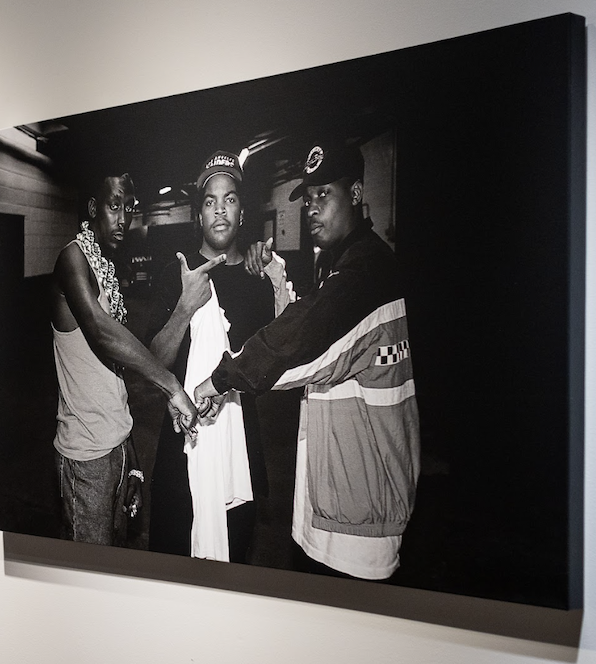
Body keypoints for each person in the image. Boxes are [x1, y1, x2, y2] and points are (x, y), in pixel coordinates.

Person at [195, 140, 421, 580]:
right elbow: (311, 333)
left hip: (361, 517)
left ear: (355, 194)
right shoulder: (343, 265)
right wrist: (279, 275)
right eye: (308, 198)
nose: (313, 209)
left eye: (325, 195)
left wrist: (219, 378)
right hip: (340, 494)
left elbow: (301, 346)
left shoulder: (366, 272)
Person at [51, 173, 198, 546]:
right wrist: (171, 384)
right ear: (93, 208)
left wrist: (131, 463)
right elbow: (102, 334)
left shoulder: (106, 268)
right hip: (86, 458)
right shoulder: (72, 259)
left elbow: (113, 377)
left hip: (116, 451)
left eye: (128, 208)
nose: (123, 218)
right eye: (114, 205)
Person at [146, 151, 278, 562]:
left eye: (230, 198)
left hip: (238, 448)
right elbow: (154, 362)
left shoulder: (259, 281)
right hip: (181, 446)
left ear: (242, 213)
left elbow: (275, 367)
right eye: (209, 201)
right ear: (199, 216)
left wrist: (272, 273)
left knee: (232, 573)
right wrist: (185, 307)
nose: (220, 209)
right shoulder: (177, 275)